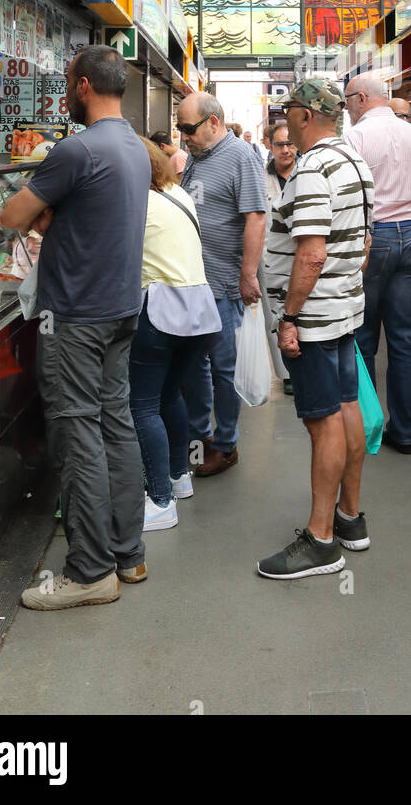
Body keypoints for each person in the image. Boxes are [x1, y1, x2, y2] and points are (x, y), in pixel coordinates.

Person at [0, 46, 151, 608]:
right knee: (115, 424)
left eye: (68, 82)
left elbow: (12, 215)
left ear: (83, 85)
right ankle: (127, 554)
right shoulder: (134, 147)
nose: (66, 89)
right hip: (118, 308)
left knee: (76, 432)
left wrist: (42, 212)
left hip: (76, 315)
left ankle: (90, 572)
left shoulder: (76, 149)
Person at [258, 79, 374, 579]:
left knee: (322, 420)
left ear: (306, 115)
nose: (286, 122)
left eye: (289, 113)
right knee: (345, 409)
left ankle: (322, 540)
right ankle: (349, 517)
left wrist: (290, 317)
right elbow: (364, 242)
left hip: (315, 320)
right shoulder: (354, 163)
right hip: (343, 311)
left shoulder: (312, 168)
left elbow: (312, 252)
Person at [343, 73, 411, 455]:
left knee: (362, 338)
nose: (346, 109)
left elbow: (352, 199)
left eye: (348, 100)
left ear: (362, 98)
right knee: (405, 342)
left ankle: (366, 426)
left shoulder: (357, 138)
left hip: (374, 240)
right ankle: (405, 432)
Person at [130, 139, 222, 533]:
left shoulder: (135, 203)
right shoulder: (179, 193)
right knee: (171, 396)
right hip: (200, 311)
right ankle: (178, 478)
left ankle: (159, 501)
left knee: (142, 406)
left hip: (160, 311)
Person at [177, 92, 267, 476]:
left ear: (213, 122)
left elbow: (256, 219)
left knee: (223, 369)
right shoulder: (197, 160)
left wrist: (247, 275)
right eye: (180, 129)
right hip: (192, 282)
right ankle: (200, 439)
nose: (184, 138)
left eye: (189, 129)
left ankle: (227, 445)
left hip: (224, 284)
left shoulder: (241, 157)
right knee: (193, 365)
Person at [259, 119, 298, 395]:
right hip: (270, 258)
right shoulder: (260, 178)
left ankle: (305, 363)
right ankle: (287, 374)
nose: (286, 150)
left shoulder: (308, 175)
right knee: (275, 314)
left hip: (301, 254)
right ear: (269, 146)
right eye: (280, 144)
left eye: (290, 143)